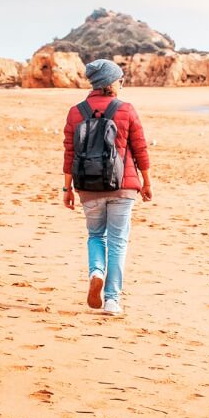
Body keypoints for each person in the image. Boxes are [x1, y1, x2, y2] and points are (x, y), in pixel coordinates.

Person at [63, 59, 152, 316]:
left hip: (88, 187)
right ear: (110, 82)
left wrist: (66, 189)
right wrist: (147, 182)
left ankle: (96, 272)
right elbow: (140, 148)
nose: (121, 83)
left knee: (95, 236)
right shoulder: (125, 109)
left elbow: (70, 153)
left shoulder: (76, 111)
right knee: (117, 242)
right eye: (120, 79)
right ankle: (112, 300)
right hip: (123, 187)